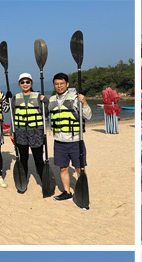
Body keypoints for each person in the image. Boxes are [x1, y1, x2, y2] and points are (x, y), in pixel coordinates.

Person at [47, 72, 91, 204]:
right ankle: (67, 192)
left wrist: (84, 102)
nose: (59, 86)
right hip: (59, 141)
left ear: (67, 84)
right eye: (56, 84)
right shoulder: (52, 100)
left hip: (75, 140)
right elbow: (45, 114)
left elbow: (88, 116)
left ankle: (82, 191)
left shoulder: (76, 98)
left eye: (62, 83)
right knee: (63, 168)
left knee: (79, 169)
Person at [12, 73, 47, 184]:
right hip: (20, 131)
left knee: (38, 158)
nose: (25, 84)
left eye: (27, 82)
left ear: (31, 83)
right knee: (23, 158)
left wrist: (45, 100)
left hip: (36, 131)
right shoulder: (15, 97)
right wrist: (12, 131)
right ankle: (23, 181)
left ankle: (43, 182)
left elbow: (47, 111)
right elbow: (13, 115)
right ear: (19, 84)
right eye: (22, 82)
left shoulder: (38, 96)